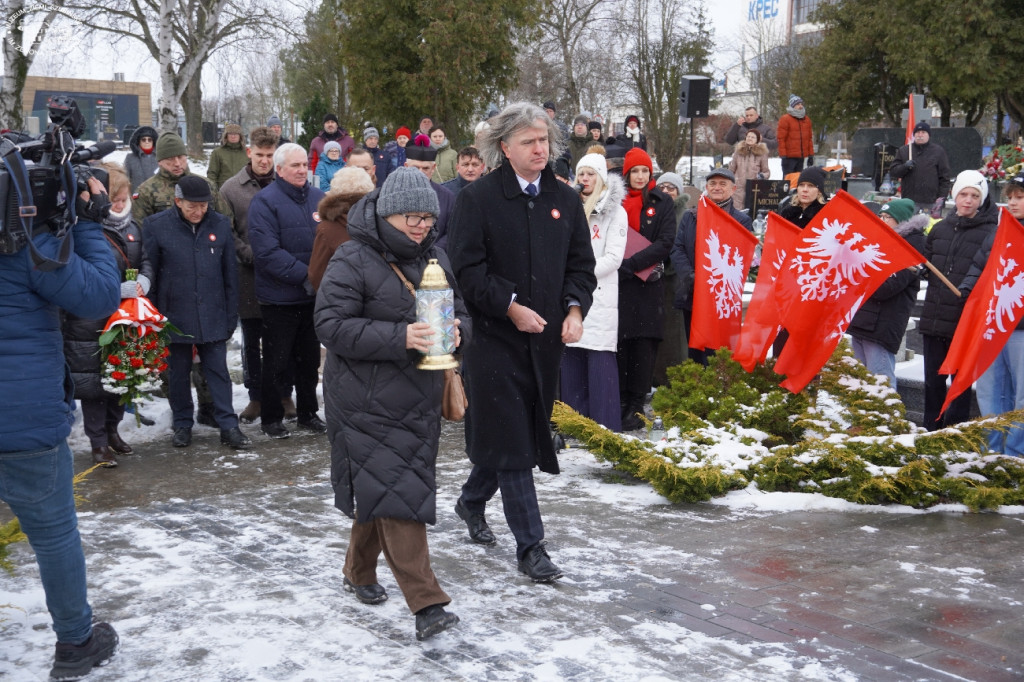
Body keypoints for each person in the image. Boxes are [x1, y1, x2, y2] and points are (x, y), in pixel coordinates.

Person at [314, 166, 471, 641]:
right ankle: (427, 604)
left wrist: (460, 332)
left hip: (417, 394)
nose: (421, 225)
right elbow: (330, 325)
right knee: (399, 490)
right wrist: (400, 336)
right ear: (385, 214)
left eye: (427, 216)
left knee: (382, 484)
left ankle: (358, 571)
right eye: (410, 217)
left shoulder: (436, 257)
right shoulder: (352, 257)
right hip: (362, 396)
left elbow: (458, 310)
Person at [448, 102, 596, 582]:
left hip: (545, 342)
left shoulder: (566, 199)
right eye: (529, 141)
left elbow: (581, 267)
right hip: (494, 341)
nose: (540, 149)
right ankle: (531, 548)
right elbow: (468, 272)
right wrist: (509, 305)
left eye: (545, 140)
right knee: (513, 440)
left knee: (512, 434)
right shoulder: (478, 199)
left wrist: (574, 309)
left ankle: (471, 502)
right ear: (504, 147)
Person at [1, 173, 121, 680]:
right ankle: (75, 641)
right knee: (52, 535)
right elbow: (98, 297)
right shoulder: (28, 245)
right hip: (22, 419)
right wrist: (89, 225)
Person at [142, 176, 250, 449]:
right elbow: (151, 274)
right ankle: (182, 424)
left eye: (203, 206)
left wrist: (229, 317)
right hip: (174, 316)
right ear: (177, 201)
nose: (198, 211)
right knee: (178, 374)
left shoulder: (220, 225)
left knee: (218, 373)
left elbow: (230, 276)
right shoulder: (157, 226)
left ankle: (229, 426)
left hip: (213, 312)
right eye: (192, 206)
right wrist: (155, 317)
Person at [131, 132, 229, 427]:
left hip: (204, 273)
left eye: (181, 156)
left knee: (207, 358)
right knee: (178, 359)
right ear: (159, 160)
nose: (177, 162)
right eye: (171, 158)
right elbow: (140, 235)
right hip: (172, 281)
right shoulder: (148, 191)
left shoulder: (205, 185)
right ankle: (180, 412)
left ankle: (210, 407)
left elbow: (223, 219)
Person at [62, 164, 153, 468]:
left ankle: (113, 430)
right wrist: (116, 287)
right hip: (89, 319)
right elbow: (81, 271)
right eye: (114, 199)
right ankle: (98, 441)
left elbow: (146, 260)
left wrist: (144, 282)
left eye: (124, 198)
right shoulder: (85, 230)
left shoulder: (134, 228)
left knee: (121, 375)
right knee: (93, 384)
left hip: (126, 315)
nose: (119, 204)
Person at [248, 143, 328, 438]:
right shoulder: (264, 202)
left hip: (312, 297)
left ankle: (309, 413)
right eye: (294, 165)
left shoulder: (320, 200)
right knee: (276, 362)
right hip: (279, 299)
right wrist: (306, 276)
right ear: (278, 170)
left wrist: (320, 279)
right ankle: (272, 418)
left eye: (304, 164)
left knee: (308, 362)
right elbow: (267, 253)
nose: (301, 170)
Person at [920, 169, 999, 430]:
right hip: (934, 317)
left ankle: (955, 429)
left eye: (975, 195)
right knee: (932, 380)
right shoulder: (940, 228)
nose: (968, 200)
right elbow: (929, 260)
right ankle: (931, 427)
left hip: (963, 320)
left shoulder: (991, 232)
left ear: (982, 199)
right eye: (963, 194)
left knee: (960, 382)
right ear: (955, 196)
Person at [561, 153, 628, 431]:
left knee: (599, 361)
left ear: (601, 178)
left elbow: (614, 257)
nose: (585, 179)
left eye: (590, 174)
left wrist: (580, 272)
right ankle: (575, 425)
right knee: (572, 360)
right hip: (570, 295)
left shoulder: (616, 212)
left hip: (599, 295)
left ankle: (605, 427)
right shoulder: (570, 207)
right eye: (581, 174)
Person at [220, 126, 279, 424]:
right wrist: (252, 255)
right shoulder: (231, 189)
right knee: (252, 341)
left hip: (282, 276)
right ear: (249, 152)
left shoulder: (285, 183)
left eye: (270, 155)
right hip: (249, 276)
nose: (264, 161)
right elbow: (227, 233)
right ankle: (255, 396)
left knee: (282, 340)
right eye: (260, 155)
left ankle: (284, 394)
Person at [671, 167, 753, 366]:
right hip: (693, 291)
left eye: (722, 184)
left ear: (733, 189)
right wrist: (691, 276)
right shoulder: (691, 216)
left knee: (718, 348)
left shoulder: (741, 221)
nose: (717, 187)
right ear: (706, 188)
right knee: (695, 347)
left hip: (721, 296)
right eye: (713, 184)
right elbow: (677, 249)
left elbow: (744, 255)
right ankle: (696, 388)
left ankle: (718, 387)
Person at [967, 170, 1024, 454]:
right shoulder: (1000, 230)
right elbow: (980, 266)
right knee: (990, 392)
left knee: (1020, 396)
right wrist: (967, 290)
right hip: (994, 324)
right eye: (1010, 197)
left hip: (1021, 329)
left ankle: (1015, 454)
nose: (1012, 203)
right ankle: (991, 452)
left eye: (1020, 197)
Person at [617, 148, 675, 428]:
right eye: (635, 171)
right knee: (622, 342)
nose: (640, 177)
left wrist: (631, 264)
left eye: (645, 171)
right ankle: (620, 400)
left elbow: (665, 243)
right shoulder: (614, 200)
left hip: (647, 284)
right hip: (619, 286)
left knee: (643, 344)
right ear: (626, 174)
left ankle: (637, 404)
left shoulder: (662, 202)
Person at [847, 199, 928, 388]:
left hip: (883, 322)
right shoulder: (881, 239)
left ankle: (885, 418)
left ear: (902, 221)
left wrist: (861, 277)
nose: (882, 221)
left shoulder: (912, 245)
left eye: (887, 218)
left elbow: (888, 287)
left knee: (880, 383)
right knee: (859, 383)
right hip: (864, 319)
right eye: (880, 216)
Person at [308, 166, 375, 290]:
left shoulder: (327, 229)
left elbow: (316, 274)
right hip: (378, 298)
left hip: (342, 299)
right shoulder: (380, 221)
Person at [889, 121, 952, 217]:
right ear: (914, 135)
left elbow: (945, 178)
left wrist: (940, 200)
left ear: (928, 135)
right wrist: (904, 167)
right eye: (917, 132)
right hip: (909, 201)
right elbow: (894, 171)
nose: (920, 135)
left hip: (931, 202)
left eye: (923, 132)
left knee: (929, 229)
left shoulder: (938, 151)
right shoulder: (904, 150)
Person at [404, 135, 456, 250]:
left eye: (425, 168)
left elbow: (452, 233)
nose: (420, 173)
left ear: (433, 168)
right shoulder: (393, 195)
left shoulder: (447, 197)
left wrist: (430, 252)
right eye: (415, 168)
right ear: (406, 167)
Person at [728, 129, 770, 212]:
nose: (750, 138)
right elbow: (732, 169)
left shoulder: (762, 153)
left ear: (757, 140)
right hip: (738, 188)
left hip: (753, 189)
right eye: (748, 136)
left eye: (753, 137)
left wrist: (762, 176)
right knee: (736, 212)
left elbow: (766, 172)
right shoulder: (738, 151)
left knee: (750, 213)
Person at [777, 94, 814, 176]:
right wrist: (783, 156)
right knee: (788, 181)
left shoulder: (806, 120)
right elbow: (781, 139)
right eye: (797, 104)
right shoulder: (785, 119)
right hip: (789, 158)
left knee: (799, 181)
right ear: (792, 106)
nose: (800, 106)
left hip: (801, 157)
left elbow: (809, 139)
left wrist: (811, 155)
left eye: (801, 104)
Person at [207, 124, 248, 190]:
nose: (233, 136)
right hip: (223, 191)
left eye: (236, 134)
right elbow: (212, 174)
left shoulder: (247, 152)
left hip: (244, 190)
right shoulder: (217, 152)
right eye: (230, 133)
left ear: (240, 136)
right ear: (226, 136)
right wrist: (213, 190)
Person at [123, 125, 158, 191]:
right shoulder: (130, 158)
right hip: (136, 198)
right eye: (143, 140)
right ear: (139, 142)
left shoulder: (160, 158)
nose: (147, 142)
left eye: (149, 140)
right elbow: (124, 180)